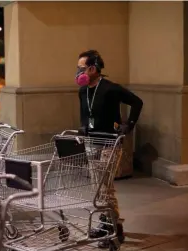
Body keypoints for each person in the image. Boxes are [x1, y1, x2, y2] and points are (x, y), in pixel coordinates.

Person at [75, 50, 143, 248]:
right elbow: (86, 113)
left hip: (109, 144)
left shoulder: (110, 88)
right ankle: (106, 224)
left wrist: (129, 124)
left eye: (81, 68)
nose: (78, 72)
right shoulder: (83, 91)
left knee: (106, 189)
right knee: (97, 188)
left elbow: (137, 102)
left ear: (93, 69)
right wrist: (84, 126)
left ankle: (115, 228)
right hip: (91, 143)